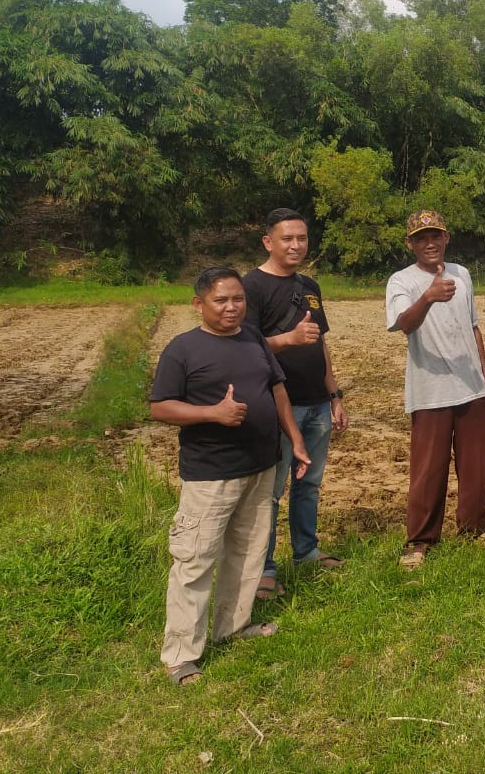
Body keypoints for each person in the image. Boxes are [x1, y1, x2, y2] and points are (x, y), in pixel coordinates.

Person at [150, 266, 310, 685]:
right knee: (195, 560)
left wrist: (295, 439)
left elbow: (277, 389)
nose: (231, 307)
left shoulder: (253, 338)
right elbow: (160, 407)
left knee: (248, 551)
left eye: (238, 299)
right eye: (220, 300)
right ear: (198, 304)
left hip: (261, 466)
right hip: (211, 475)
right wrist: (212, 413)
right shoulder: (183, 349)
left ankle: (233, 627)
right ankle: (180, 655)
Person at [242, 208, 347, 600]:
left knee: (310, 484)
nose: (296, 245)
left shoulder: (309, 285)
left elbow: (320, 343)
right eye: (287, 238)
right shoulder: (251, 287)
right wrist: (288, 339)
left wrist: (334, 395)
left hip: (317, 403)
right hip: (279, 406)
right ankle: (264, 569)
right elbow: (244, 347)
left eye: (302, 238)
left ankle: (306, 552)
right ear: (268, 242)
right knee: (271, 490)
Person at [386, 210, 485, 570]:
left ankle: (475, 528)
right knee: (428, 469)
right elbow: (404, 324)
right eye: (421, 238)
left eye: (435, 236)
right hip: (430, 388)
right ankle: (420, 539)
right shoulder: (402, 280)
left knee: (475, 464)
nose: (429, 243)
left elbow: (474, 327)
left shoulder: (462, 274)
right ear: (410, 244)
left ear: (446, 238)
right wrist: (428, 297)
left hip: (471, 385)